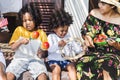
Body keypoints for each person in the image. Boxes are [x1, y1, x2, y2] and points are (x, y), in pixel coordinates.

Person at [76, 0, 120, 80]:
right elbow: (84, 32)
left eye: (103, 4)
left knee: (107, 65)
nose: (99, 5)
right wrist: (87, 37)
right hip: (93, 52)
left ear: (112, 6)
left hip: (112, 54)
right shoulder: (94, 14)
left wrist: (115, 45)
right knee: (81, 64)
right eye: (100, 2)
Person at [6, 3, 48, 80]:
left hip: (36, 60)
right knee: (9, 74)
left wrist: (41, 52)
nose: (27, 23)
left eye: (30, 20)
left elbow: (44, 52)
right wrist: (20, 42)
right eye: (24, 20)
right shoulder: (19, 30)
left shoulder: (41, 33)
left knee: (42, 76)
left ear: (36, 19)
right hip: (19, 59)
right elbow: (12, 47)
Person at [47, 9, 83, 80]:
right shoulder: (51, 37)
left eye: (66, 30)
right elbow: (49, 50)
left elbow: (77, 50)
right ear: (54, 29)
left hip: (66, 60)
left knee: (72, 67)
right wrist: (58, 45)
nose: (64, 33)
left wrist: (82, 48)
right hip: (54, 60)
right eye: (62, 31)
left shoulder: (68, 37)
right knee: (56, 70)